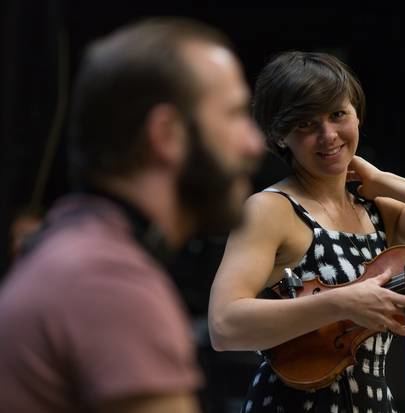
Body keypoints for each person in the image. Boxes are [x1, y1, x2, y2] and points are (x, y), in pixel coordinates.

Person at [208, 51, 405, 412]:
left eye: (337, 115)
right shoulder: (271, 209)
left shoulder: (377, 210)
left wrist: (386, 181)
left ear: (357, 115)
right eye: (305, 124)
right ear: (280, 136)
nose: (328, 135)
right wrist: (342, 302)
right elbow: (223, 325)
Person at [0, 17, 264, 413]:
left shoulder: (73, 245)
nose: (254, 143)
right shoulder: (109, 282)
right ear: (166, 134)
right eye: (235, 115)